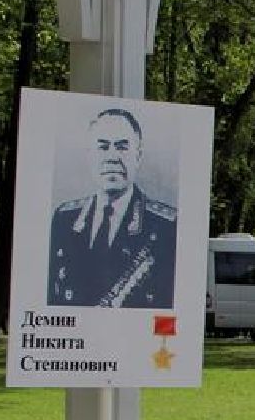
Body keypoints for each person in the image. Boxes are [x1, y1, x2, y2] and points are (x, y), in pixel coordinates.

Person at [48, 107, 176, 308]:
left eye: (122, 147)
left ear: (138, 156)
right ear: (90, 155)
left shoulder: (166, 226)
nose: (112, 157)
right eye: (103, 147)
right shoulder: (64, 219)